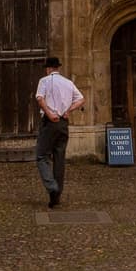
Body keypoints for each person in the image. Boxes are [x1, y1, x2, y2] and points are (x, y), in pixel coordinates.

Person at [34, 56, 84, 208]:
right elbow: (81, 99)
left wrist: (49, 113)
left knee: (42, 156)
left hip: (51, 122)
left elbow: (39, 98)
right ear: (58, 67)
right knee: (59, 158)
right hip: (63, 122)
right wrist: (68, 110)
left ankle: (52, 187)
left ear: (48, 68)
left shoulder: (45, 81)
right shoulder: (68, 82)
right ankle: (56, 197)